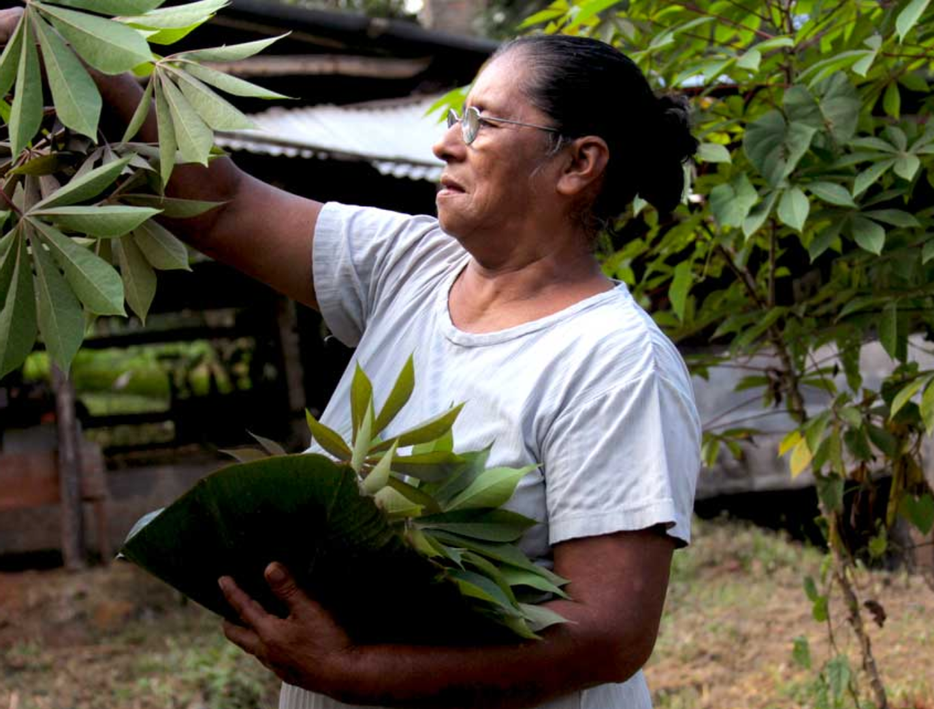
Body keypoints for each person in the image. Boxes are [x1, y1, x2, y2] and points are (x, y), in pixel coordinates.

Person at [0, 9, 701, 707]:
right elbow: (223, 205)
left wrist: (359, 671)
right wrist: (66, 50)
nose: (445, 143)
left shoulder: (612, 361)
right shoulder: (416, 263)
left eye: (483, 124)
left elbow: (610, 634)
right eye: (460, 115)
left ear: (579, 163)